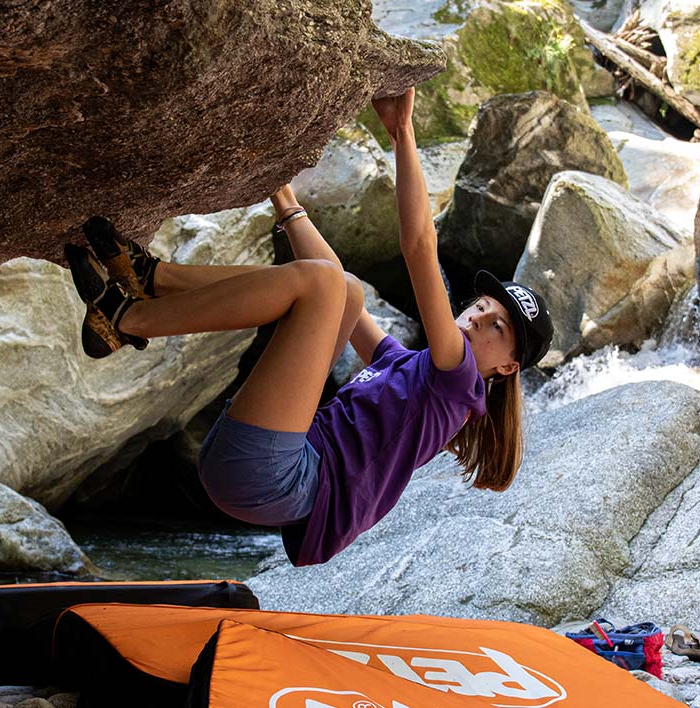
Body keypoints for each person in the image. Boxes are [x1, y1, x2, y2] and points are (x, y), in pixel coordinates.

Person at [65, 88, 554, 566]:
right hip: (258, 460)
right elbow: (338, 289)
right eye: (484, 306)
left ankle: (128, 318)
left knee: (327, 285)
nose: (477, 318)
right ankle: (151, 278)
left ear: (508, 366)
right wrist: (282, 194)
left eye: (498, 327)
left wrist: (402, 133)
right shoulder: (410, 368)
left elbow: (420, 247)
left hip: (276, 477)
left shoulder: (459, 384)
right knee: (347, 289)